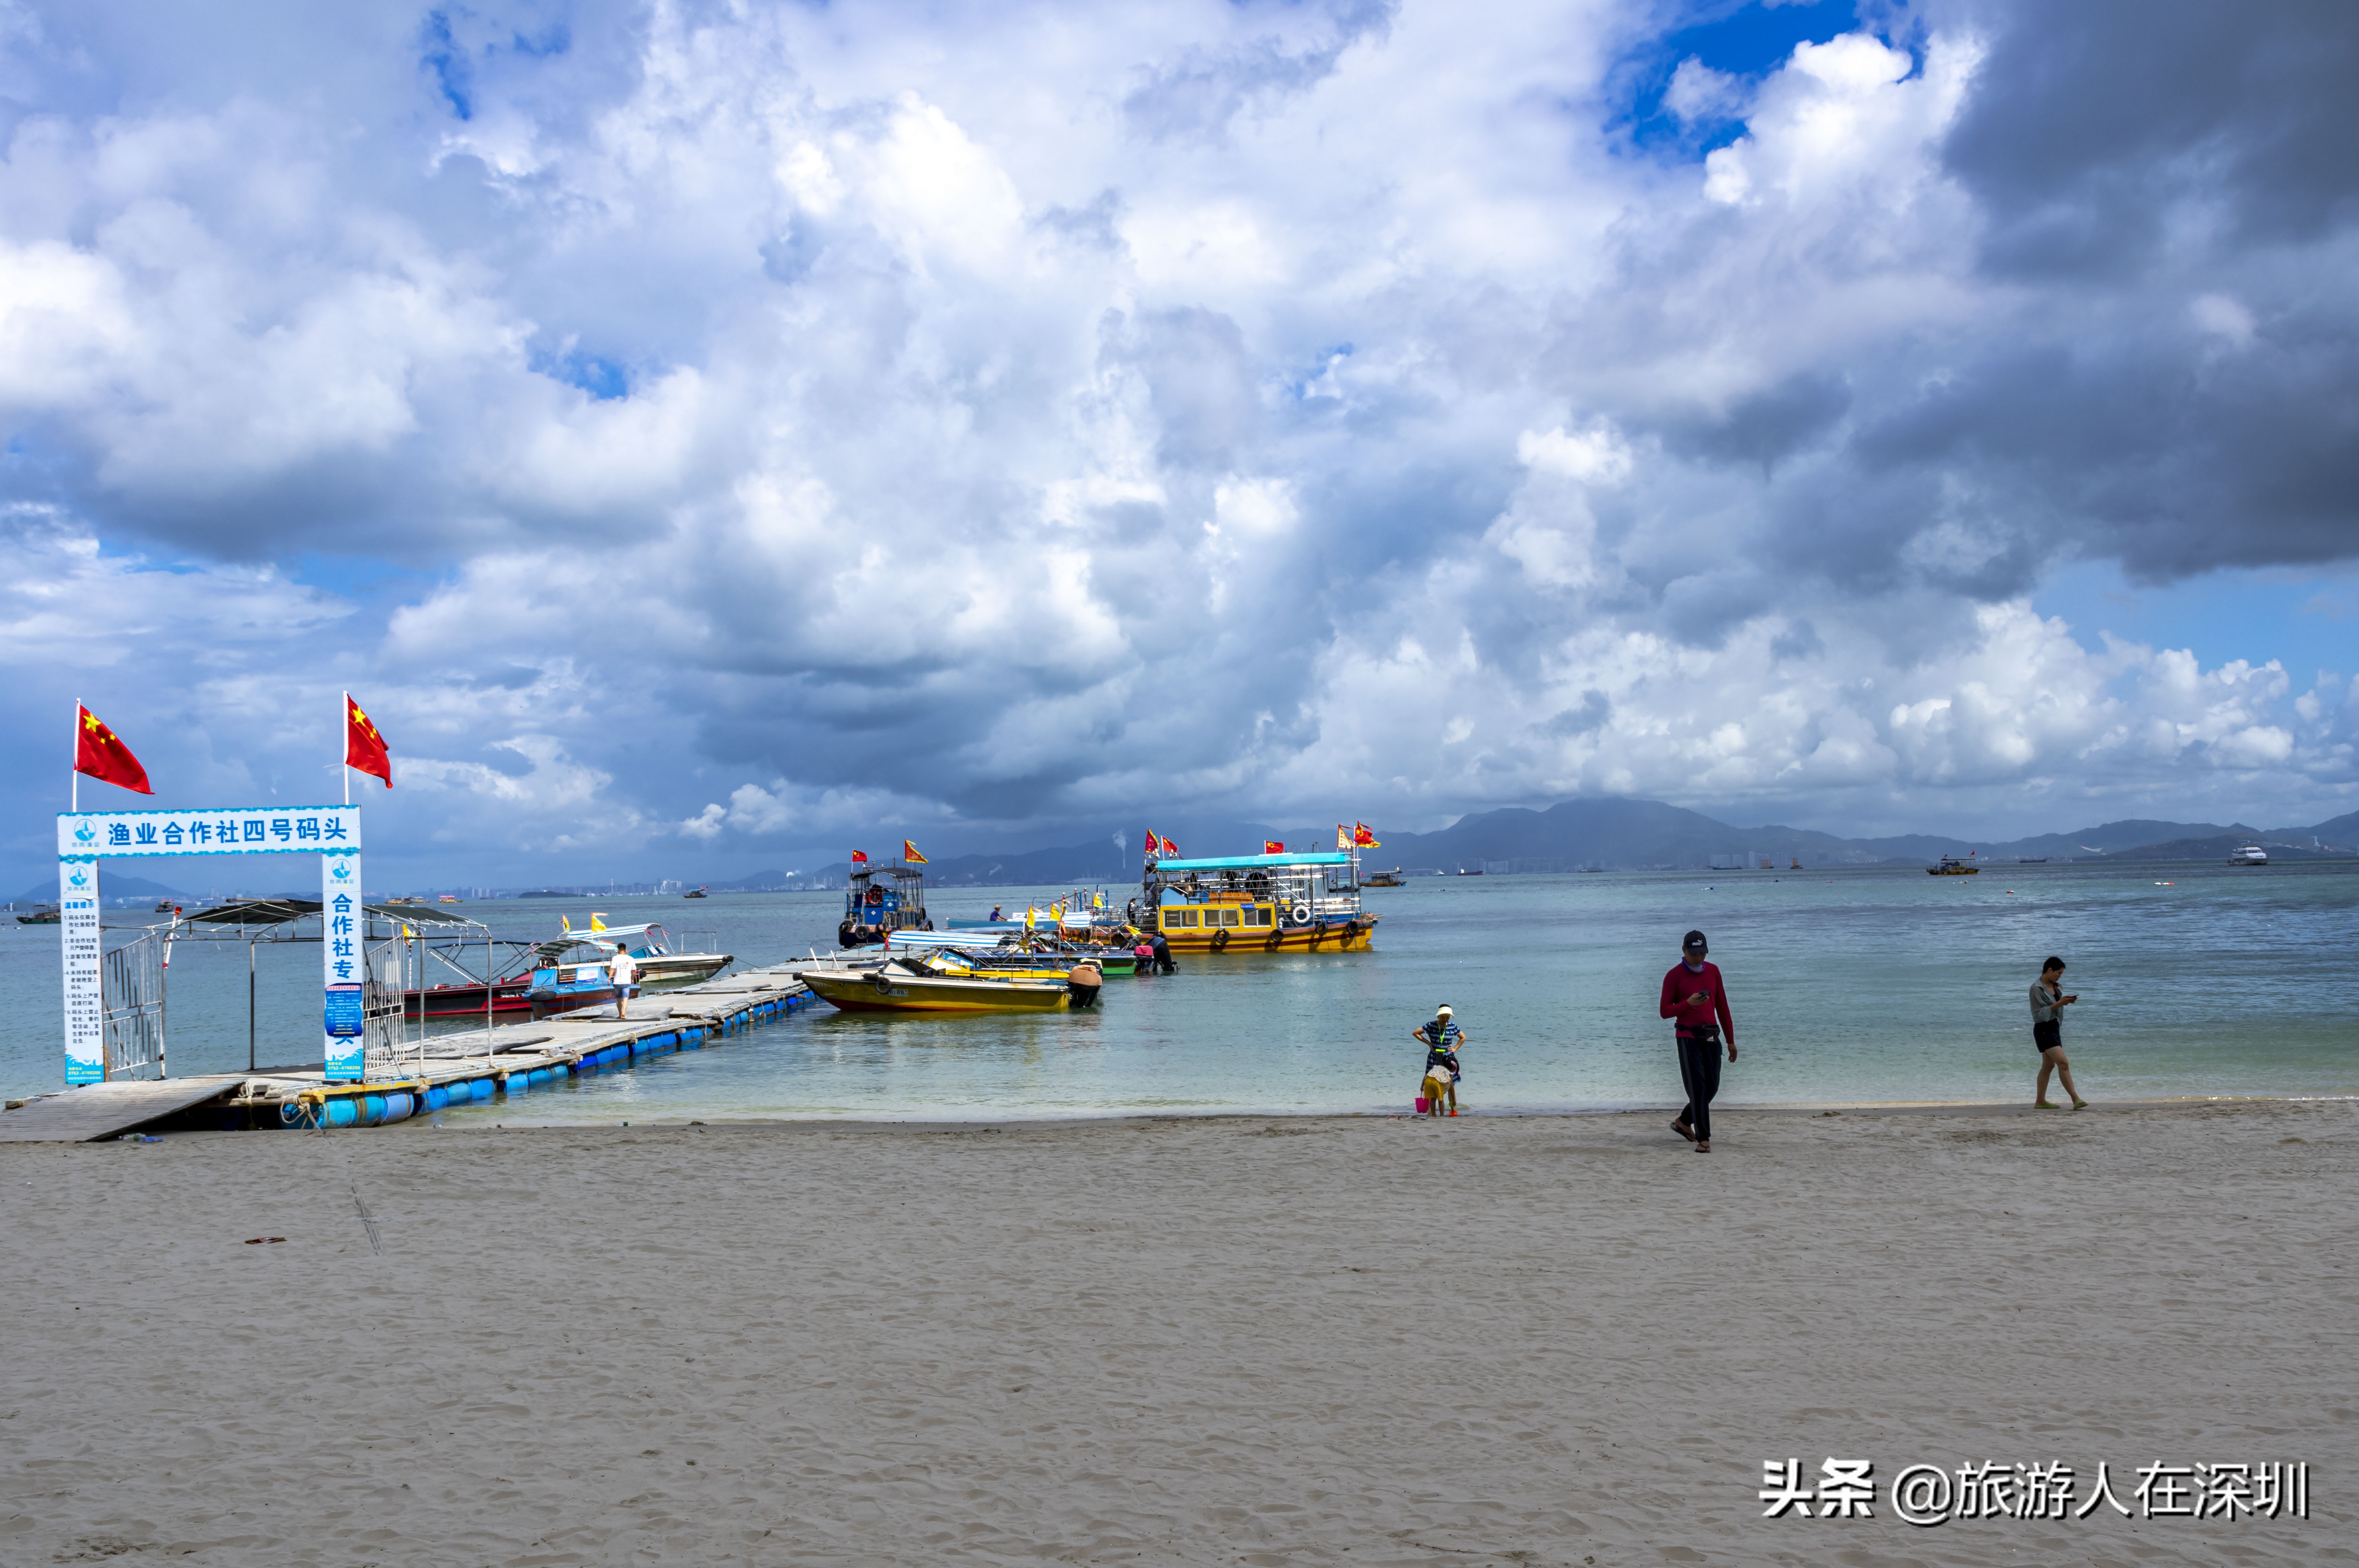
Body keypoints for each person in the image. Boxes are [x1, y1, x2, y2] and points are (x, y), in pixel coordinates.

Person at [1659, 930, 1735, 1152]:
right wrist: (1688, 1004)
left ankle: (1684, 1121)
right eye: (1694, 953)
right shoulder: (1674, 975)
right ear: (1684, 951)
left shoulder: (1713, 971)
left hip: (1711, 1034)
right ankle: (1705, 1139)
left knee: (1712, 1086)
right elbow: (1665, 1011)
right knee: (1698, 1089)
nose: (1699, 958)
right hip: (1687, 1036)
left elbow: (1723, 1007)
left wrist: (1731, 1040)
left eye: (1703, 953)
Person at [2031, 956, 2087, 1109]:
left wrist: (2065, 1001)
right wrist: (2059, 1004)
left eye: (2062, 974)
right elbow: (2038, 1014)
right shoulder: (2036, 989)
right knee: (2063, 1062)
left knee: (2048, 1066)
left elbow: (2055, 1007)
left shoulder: (2056, 987)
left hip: (2054, 1028)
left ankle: (2040, 1102)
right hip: (2043, 1029)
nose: (2060, 976)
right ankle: (2076, 1099)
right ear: (2050, 970)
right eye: (2059, 973)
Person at [1412, 1005, 1466, 1115]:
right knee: (1430, 1081)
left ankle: (1453, 1109)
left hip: (1448, 1058)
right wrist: (1429, 1044)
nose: (1445, 1019)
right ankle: (1430, 1111)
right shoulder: (1431, 1025)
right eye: (1443, 1017)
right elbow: (1416, 1033)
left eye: (1447, 1017)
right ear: (1439, 1016)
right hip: (1434, 1056)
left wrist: (1455, 1049)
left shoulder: (1452, 1026)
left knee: (1451, 1084)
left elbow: (1463, 1038)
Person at [609, 943, 640, 1021]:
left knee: (618, 999)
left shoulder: (615, 958)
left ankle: (620, 1014)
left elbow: (612, 969)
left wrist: (609, 979)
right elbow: (633, 971)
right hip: (627, 982)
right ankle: (624, 1013)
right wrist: (632, 979)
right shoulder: (631, 959)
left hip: (617, 982)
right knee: (626, 998)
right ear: (626, 950)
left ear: (618, 950)